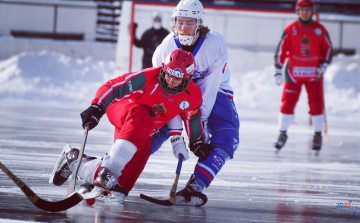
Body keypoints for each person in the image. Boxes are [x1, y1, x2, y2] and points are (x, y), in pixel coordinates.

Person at [49, 49, 204, 203]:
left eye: (177, 79)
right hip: (123, 110)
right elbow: (113, 86)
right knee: (143, 115)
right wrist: (97, 106)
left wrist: (196, 140)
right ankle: (108, 170)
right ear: (164, 68)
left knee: (120, 188)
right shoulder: (148, 77)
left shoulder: (194, 96)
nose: (170, 81)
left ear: (188, 79)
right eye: (168, 74)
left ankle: (76, 162)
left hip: (144, 130)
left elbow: (193, 117)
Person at [151, 0, 240, 206]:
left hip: (216, 91)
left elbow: (208, 90)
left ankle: (196, 183)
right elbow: (164, 92)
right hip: (175, 91)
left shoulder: (214, 44)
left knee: (228, 135)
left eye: (189, 22)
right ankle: (114, 168)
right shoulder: (165, 48)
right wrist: (175, 135)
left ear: (199, 23)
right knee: (152, 129)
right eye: (180, 22)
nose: (183, 27)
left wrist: (197, 135)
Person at [273, 0, 332, 153]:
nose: (304, 12)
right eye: (302, 10)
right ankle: (282, 134)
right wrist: (278, 69)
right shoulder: (291, 29)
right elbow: (281, 50)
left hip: (314, 74)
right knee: (287, 103)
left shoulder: (320, 30)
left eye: (307, 10)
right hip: (294, 74)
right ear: (298, 11)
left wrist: (324, 64)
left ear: (312, 11)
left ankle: (318, 135)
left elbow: (327, 49)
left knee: (316, 103)